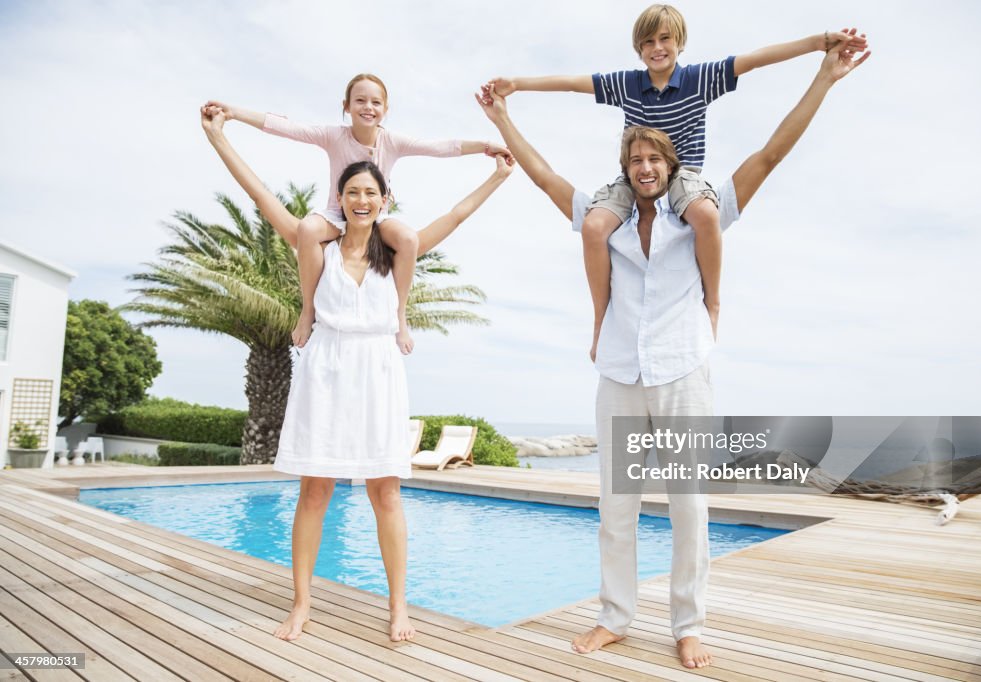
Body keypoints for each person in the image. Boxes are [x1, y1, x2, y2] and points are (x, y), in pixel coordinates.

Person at [477, 42, 868, 669]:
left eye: (654, 156)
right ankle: (616, 617)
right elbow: (546, 176)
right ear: (625, 169)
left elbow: (770, 153)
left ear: (671, 163)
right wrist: (503, 121)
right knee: (616, 510)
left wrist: (824, 76)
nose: (644, 166)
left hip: (682, 369)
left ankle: (688, 625)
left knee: (688, 506)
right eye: (634, 158)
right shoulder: (610, 221)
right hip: (619, 376)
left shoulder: (699, 215)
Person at [200, 105, 514, 643]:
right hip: (324, 367)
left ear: (383, 200)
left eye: (371, 193)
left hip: (379, 371)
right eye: (353, 193)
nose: (362, 200)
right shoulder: (316, 249)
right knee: (314, 492)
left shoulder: (396, 254)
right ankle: (300, 605)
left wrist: (497, 175)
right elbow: (261, 196)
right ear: (340, 200)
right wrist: (218, 138)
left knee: (386, 493)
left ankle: (398, 609)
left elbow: (456, 216)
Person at [487, 4, 867, 361]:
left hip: (683, 173)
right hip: (631, 177)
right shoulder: (627, 84)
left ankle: (712, 303)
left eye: (665, 39)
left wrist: (817, 43)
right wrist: (518, 84)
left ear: (679, 42)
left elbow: (755, 60)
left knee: (705, 214)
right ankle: (601, 321)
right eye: (648, 42)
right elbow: (571, 83)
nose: (657, 48)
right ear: (638, 49)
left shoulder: (700, 79)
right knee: (592, 226)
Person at [205, 74, 512, 355]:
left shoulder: (392, 142)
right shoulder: (333, 136)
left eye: (376, 102)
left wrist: (486, 148)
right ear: (346, 107)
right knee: (308, 230)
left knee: (407, 238)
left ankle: (400, 315)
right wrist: (232, 114)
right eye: (360, 101)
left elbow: (442, 150)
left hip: (379, 220)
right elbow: (287, 130)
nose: (368, 107)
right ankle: (308, 309)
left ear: (386, 109)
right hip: (333, 216)